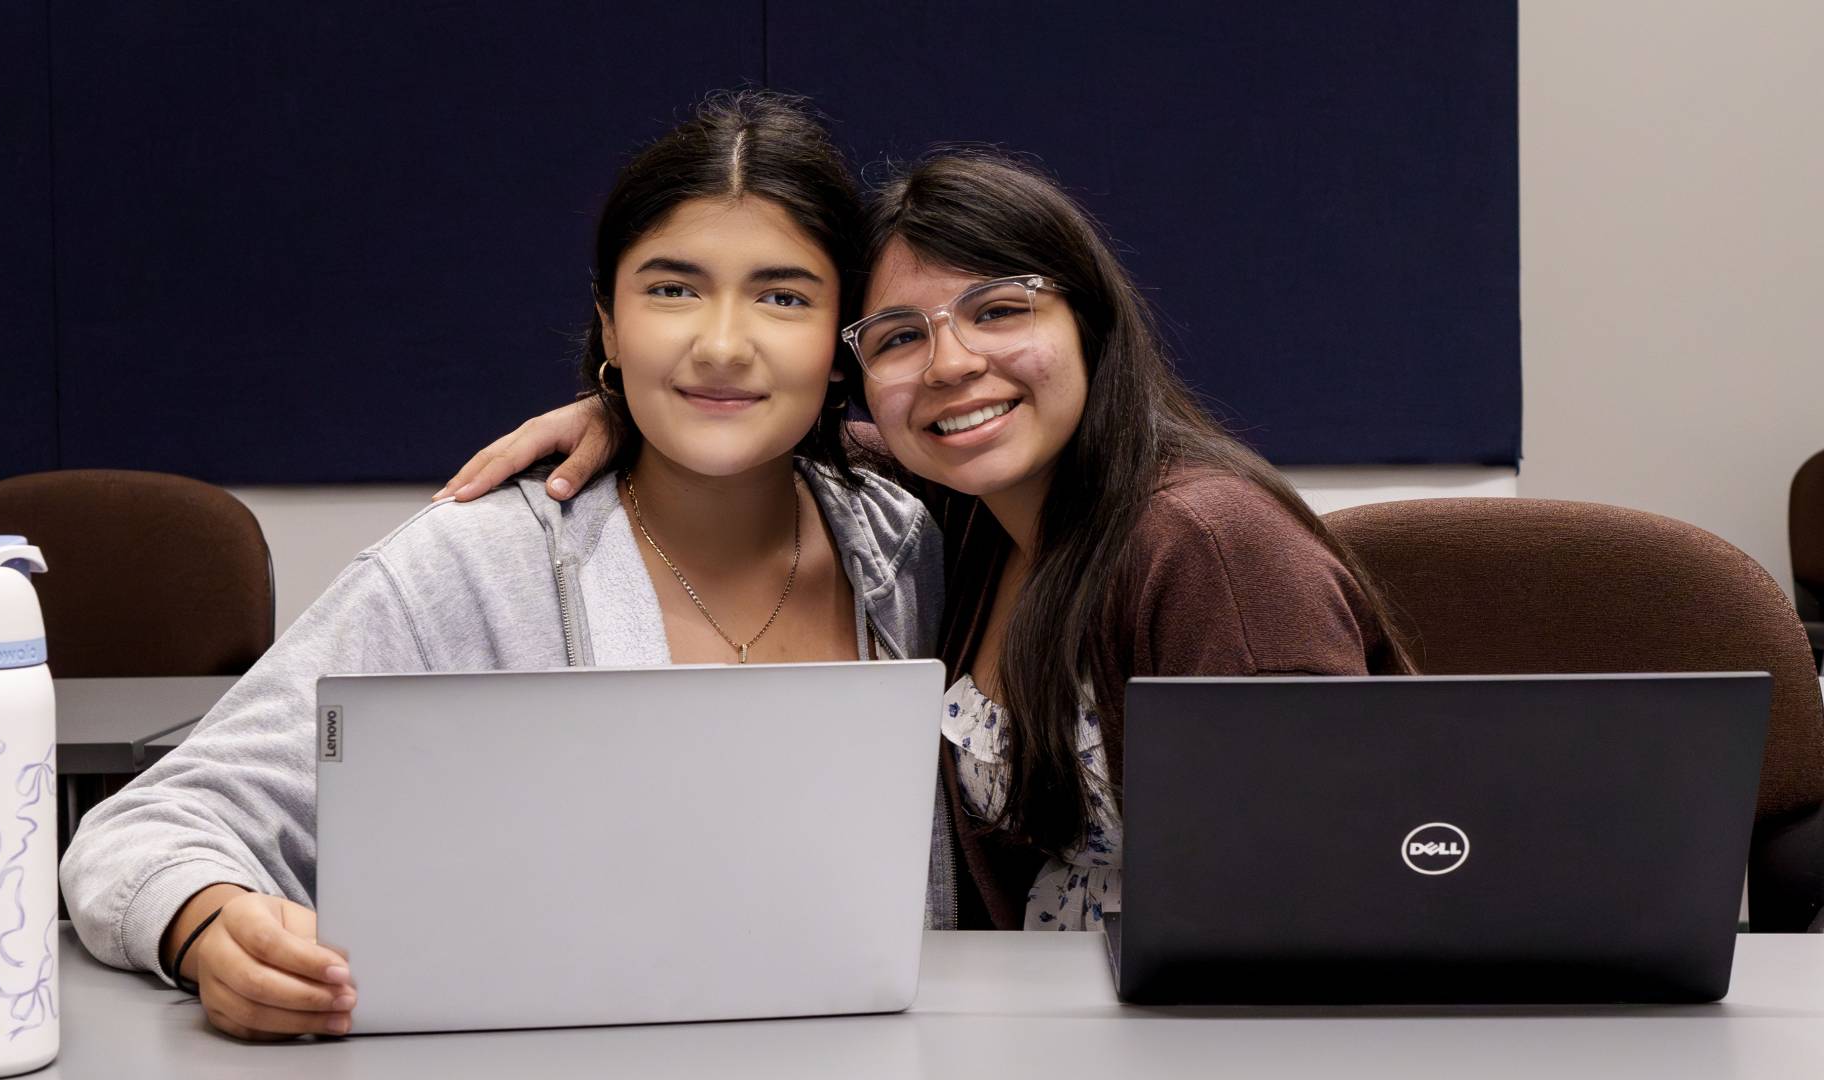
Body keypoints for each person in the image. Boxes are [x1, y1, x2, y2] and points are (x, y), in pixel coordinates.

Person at [59, 91, 943, 1041]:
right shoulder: (474, 563)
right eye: (672, 289)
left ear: (841, 340)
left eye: (783, 296)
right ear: (609, 326)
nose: (722, 344)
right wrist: (207, 927)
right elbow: (143, 827)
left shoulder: (909, 547)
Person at [437, 149, 1413, 933]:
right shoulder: (960, 521)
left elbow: (1321, 914)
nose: (950, 365)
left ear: (1092, 322)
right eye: (898, 336)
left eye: (999, 311)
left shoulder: (1206, 547)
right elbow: (791, 434)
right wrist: (632, 413)